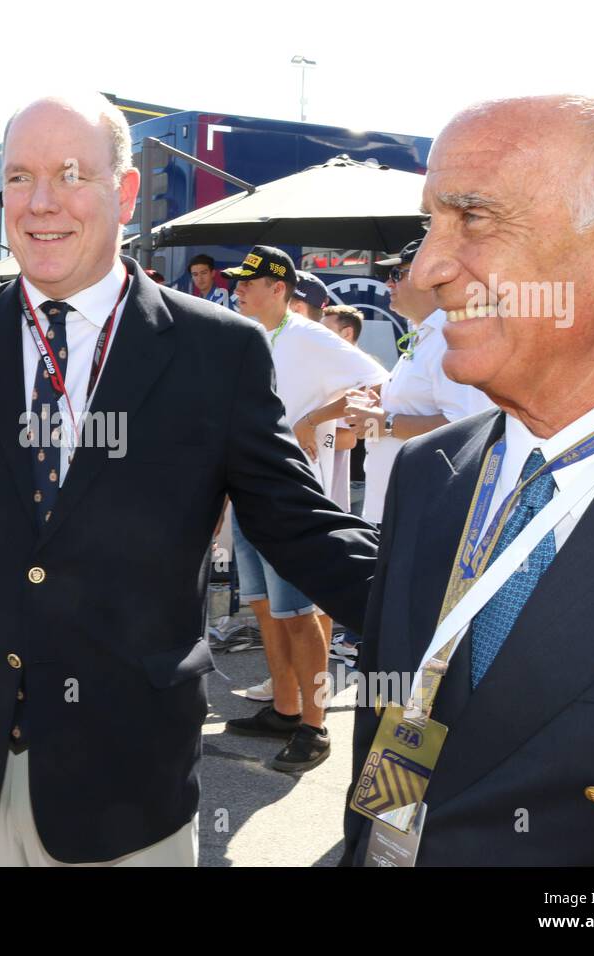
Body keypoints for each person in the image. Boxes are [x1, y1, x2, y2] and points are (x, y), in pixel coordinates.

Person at [0, 94, 378, 866]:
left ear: (126, 192)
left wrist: (444, 618)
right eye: (18, 178)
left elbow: (298, 524)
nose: (41, 203)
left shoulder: (218, 353)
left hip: (126, 775)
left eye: (69, 175)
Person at [344, 95, 594, 866]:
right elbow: (399, 711)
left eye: (473, 218)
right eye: (430, 224)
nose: (427, 269)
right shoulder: (428, 471)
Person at [219, 246, 385, 768]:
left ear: (278, 289)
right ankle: (286, 710)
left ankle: (314, 728)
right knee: (267, 609)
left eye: (249, 282)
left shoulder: (310, 336)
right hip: (247, 490)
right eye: (238, 282)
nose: (238, 289)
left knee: (301, 613)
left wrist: (316, 419)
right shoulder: (249, 336)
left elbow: (380, 382)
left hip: (288, 497)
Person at [345, 238, 494, 526]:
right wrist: (379, 411)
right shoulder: (427, 333)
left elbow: (466, 426)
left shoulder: (449, 337)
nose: (388, 284)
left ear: (431, 279)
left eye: (397, 275)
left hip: (423, 511)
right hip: (397, 506)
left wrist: (383, 421)